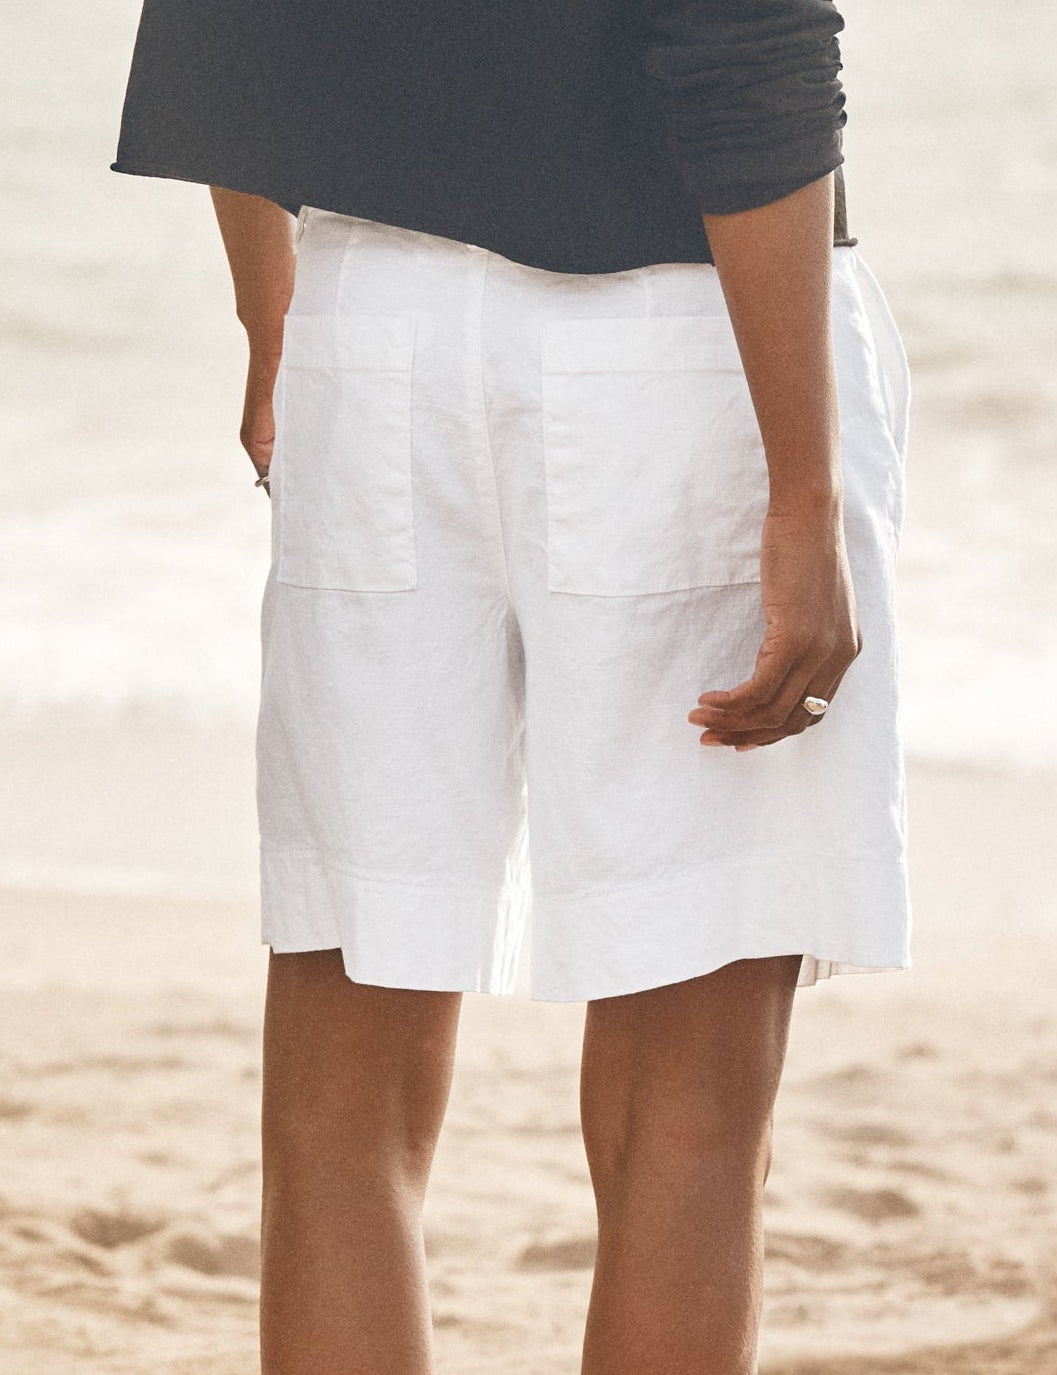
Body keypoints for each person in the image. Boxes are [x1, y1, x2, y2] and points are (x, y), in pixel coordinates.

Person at [111, 2, 911, 1370]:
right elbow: (748, 42)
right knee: (692, 1110)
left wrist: (275, 323)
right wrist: (797, 491)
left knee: (337, 1096)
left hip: (370, 316)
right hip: (679, 342)